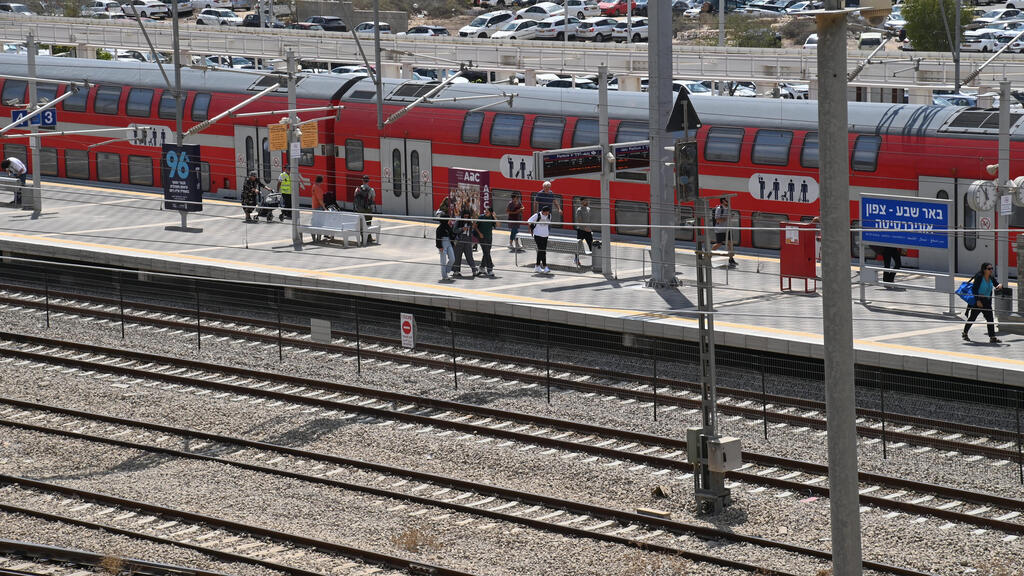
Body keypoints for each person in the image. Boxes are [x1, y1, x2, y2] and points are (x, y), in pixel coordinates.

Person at [963, 262, 1002, 344]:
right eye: (989, 269)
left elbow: (996, 284)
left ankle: (992, 337)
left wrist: (999, 285)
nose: (991, 270)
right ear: (984, 270)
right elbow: (974, 289)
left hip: (987, 301)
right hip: (979, 300)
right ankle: (965, 333)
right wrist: (977, 300)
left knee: (990, 319)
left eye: (992, 268)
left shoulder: (991, 277)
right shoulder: (979, 277)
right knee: (972, 317)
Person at [450, 205, 479, 278]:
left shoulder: (470, 222)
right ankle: (456, 271)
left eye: (467, 216)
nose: (466, 218)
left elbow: (472, 232)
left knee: (469, 256)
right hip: (459, 240)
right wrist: (462, 229)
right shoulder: (458, 222)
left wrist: (473, 228)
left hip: (468, 240)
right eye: (465, 216)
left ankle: (474, 270)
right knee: (457, 256)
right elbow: (454, 230)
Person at [711, 197, 737, 268]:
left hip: (727, 229)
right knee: (718, 244)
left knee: (730, 244)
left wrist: (730, 217)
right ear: (723, 201)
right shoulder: (719, 209)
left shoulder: (728, 208)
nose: (728, 201)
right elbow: (718, 220)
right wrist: (727, 218)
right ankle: (708, 256)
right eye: (726, 200)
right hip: (720, 230)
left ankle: (731, 259)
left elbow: (726, 218)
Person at [528, 205, 552, 274]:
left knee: (541, 251)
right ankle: (545, 266)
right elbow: (529, 221)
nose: (547, 214)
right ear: (543, 211)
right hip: (537, 235)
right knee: (542, 250)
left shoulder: (550, 216)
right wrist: (531, 228)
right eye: (546, 212)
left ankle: (537, 266)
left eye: (548, 212)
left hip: (545, 235)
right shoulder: (537, 215)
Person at [476, 204, 497, 278]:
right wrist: (480, 233)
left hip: (489, 237)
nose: (485, 212)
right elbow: (475, 226)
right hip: (482, 237)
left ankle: (481, 267)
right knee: (487, 252)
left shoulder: (492, 218)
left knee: (486, 252)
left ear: (491, 213)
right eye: (485, 211)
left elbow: (498, 225)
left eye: (487, 212)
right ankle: (490, 269)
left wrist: (495, 217)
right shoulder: (481, 217)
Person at [354, 175, 376, 243]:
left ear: (362, 180)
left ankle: (364, 238)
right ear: (368, 181)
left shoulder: (357, 189)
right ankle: (368, 238)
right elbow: (373, 199)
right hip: (367, 209)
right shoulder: (371, 190)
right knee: (368, 224)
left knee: (361, 224)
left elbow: (355, 197)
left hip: (359, 209)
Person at [436, 210, 456, 282]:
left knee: (452, 258)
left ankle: (447, 270)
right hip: (442, 243)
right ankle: (444, 276)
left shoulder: (448, 227)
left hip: (449, 243)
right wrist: (439, 246)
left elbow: (452, 235)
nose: (449, 220)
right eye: (448, 219)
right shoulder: (439, 228)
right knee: (443, 261)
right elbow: (438, 238)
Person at [574, 197, 594, 266]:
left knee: (591, 245)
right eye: (585, 201)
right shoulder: (579, 210)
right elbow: (579, 220)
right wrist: (585, 228)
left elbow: (589, 220)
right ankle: (576, 259)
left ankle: (594, 260)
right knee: (579, 245)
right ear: (581, 202)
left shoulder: (588, 209)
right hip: (581, 230)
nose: (587, 201)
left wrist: (590, 229)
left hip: (588, 231)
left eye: (587, 200)